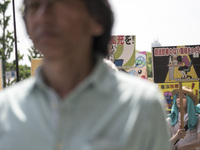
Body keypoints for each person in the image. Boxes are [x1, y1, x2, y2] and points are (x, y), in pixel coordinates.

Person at [0, 0, 170, 149]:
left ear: (97, 20)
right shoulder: (6, 109)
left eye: (58, 2)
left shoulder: (141, 105)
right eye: (34, 6)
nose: (43, 15)